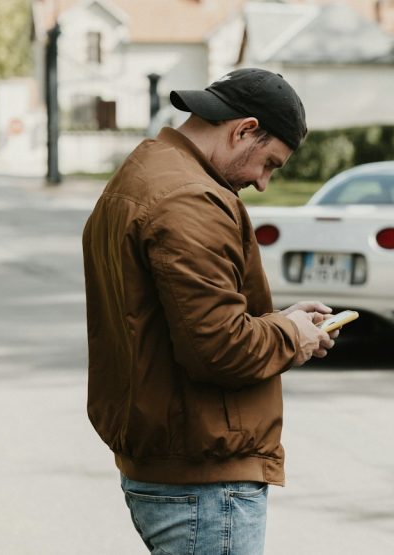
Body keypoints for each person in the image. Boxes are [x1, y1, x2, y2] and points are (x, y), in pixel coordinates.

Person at [82, 68, 337, 554]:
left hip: (174, 464)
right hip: (202, 480)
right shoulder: (190, 198)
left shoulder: (145, 171)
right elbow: (220, 349)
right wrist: (291, 336)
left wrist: (280, 322)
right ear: (243, 129)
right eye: (269, 164)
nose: (263, 183)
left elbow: (177, 320)